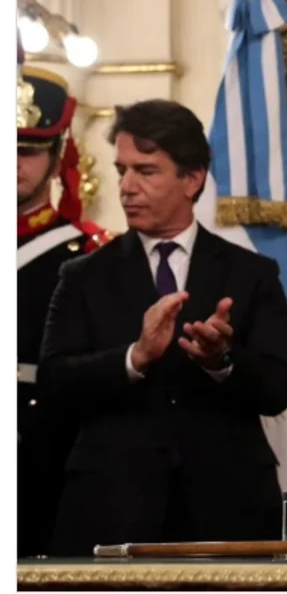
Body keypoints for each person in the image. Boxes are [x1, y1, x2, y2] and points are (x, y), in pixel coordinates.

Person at [39, 99, 287, 556]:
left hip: (227, 511)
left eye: (146, 171)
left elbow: (277, 389)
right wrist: (134, 358)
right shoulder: (82, 276)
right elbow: (54, 382)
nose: (127, 187)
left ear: (192, 179)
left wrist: (221, 362)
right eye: (122, 171)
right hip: (112, 510)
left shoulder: (251, 274)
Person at [17, 41, 112, 558]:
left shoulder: (90, 254)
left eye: (28, 149)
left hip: (41, 457)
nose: (13, 162)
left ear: (57, 158)